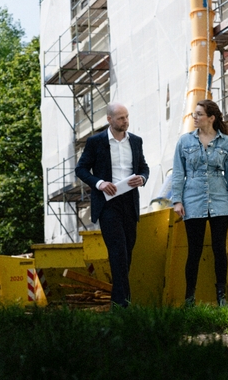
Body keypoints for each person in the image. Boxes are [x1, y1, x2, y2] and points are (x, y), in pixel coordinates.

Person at [170, 99, 228, 307]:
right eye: (194, 114)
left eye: (199, 114)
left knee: (219, 249)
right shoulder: (185, 142)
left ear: (211, 118)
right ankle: (189, 298)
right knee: (194, 250)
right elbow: (178, 173)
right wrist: (177, 200)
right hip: (193, 200)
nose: (195, 117)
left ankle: (221, 296)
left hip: (220, 200)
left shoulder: (226, 143)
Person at [75, 103, 149, 308]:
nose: (125, 121)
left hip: (129, 202)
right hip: (107, 204)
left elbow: (144, 167)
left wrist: (142, 178)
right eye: (120, 118)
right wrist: (99, 183)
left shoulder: (135, 141)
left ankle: (120, 302)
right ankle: (122, 303)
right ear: (109, 119)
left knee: (128, 253)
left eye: (126, 117)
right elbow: (81, 169)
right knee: (118, 252)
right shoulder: (95, 142)